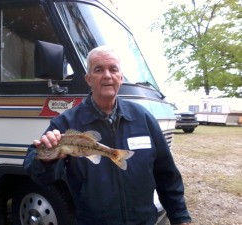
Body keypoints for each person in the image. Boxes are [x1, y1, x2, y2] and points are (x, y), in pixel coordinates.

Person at [23, 46, 192, 225]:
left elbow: (166, 174)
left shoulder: (143, 118)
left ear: (121, 77)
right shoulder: (65, 123)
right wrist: (46, 161)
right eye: (98, 70)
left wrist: (180, 217)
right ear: (88, 79)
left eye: (113, 69)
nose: (107, 75)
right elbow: (39, 174)